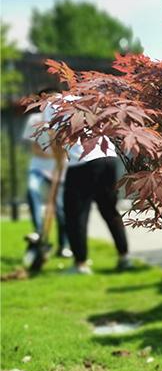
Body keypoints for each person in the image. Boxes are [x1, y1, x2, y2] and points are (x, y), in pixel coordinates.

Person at [60, 96, 132, 275]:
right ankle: (124, 256)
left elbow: (55, 141)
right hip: (107, 159)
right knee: (109, 209)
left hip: (81, 163)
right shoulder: (91, 100)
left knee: (76, 214)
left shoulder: (53, 104)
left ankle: (81, 264)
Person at [22, 89, 72, 258]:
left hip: (59, 171)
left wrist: (59, 160)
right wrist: (56, 155)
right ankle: (38, 231)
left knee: (60, 208)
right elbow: (36, 149)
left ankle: (63, 246)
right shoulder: (35, 120)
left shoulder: (66, 121)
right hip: (38, 167)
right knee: (32, 190)